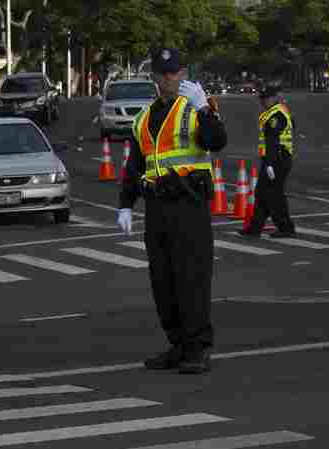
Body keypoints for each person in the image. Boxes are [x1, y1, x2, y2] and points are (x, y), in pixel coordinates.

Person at [116, 48, 227, 374]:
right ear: (155, 78)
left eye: (176, 73)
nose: (171, 79)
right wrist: (125, 203)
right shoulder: (144, 118)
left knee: (192, 278)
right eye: (164, 74)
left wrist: (204, 106)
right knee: (162, 280)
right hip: (157, 207)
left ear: (184, 73)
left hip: (189, 204)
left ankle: (198, 348)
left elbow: (216, 140)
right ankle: (178, 344)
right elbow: (135, 165)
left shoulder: (195, 108)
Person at [239, 84, 296, 238]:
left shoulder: (276, 115)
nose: (263, 101)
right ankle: (255, 228)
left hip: (277, 159)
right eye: (262, 98)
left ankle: (286, 228)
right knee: (263, 193)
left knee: (273, 195)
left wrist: (270, 163)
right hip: (276, 158)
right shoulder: (276, 112)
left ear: (274, 98)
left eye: (267, 98)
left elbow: (272, 140)